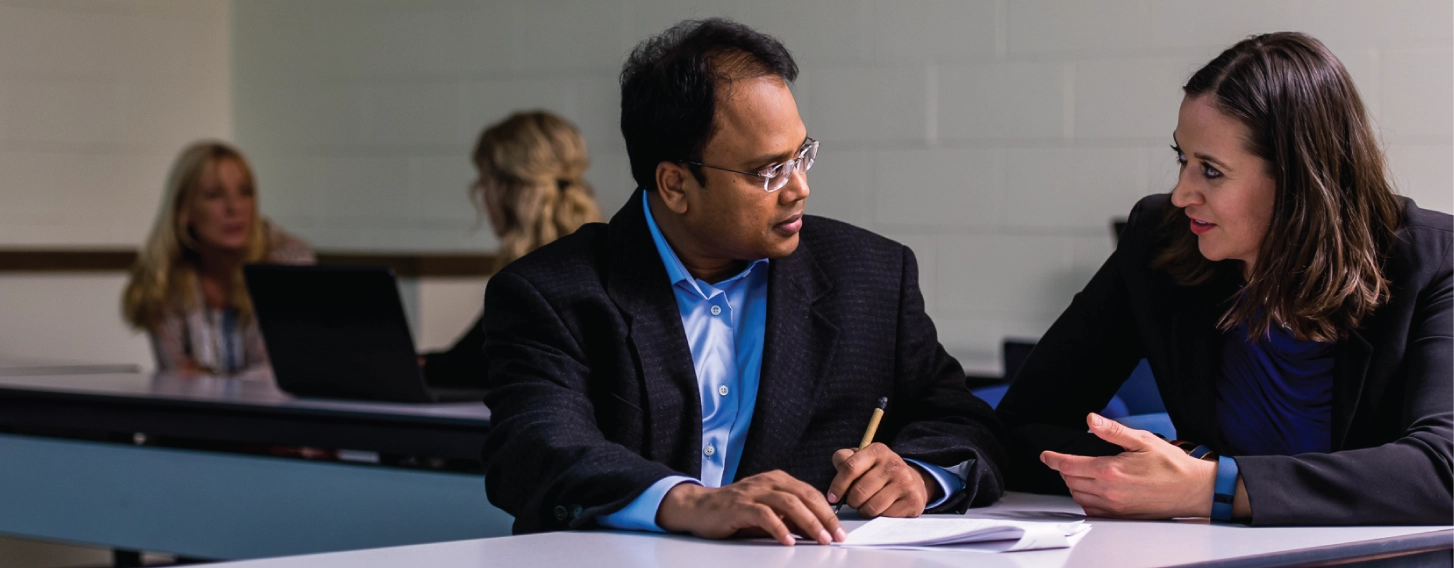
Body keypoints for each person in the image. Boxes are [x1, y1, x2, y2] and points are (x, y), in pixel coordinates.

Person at [480, 19, 1006, 544]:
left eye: (802, 155)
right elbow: (534, 449)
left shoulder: (870, 275)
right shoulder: (551, 291)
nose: (799, 187)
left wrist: (919, 475)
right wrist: (686, 500)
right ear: (676, 184)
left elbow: (964, 424)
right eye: (768, 171)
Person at [996, 32, 1451, 526]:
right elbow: (1020, 424)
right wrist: (1158, 475)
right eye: (1182, 160)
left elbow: (1442, 470)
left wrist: (1213, 486)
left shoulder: (1434, 261)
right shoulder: (1159, 241)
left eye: (1210, 171)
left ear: (1301, 181)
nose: (1181, 194)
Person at [420, 111, 602, 388]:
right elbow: (468, 358)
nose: (483, 197)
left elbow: (473, 368)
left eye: (485, 182)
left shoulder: (527, 286)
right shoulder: (601, 260)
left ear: (508, 190)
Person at [123, 141, 315, 376]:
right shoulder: (165, 276)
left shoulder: (287, 264)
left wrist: (210, 378)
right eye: (214, 195)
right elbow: (177, 378)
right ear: (183, 210)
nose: (234, 207)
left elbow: (281, 374)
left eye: (245, 192)